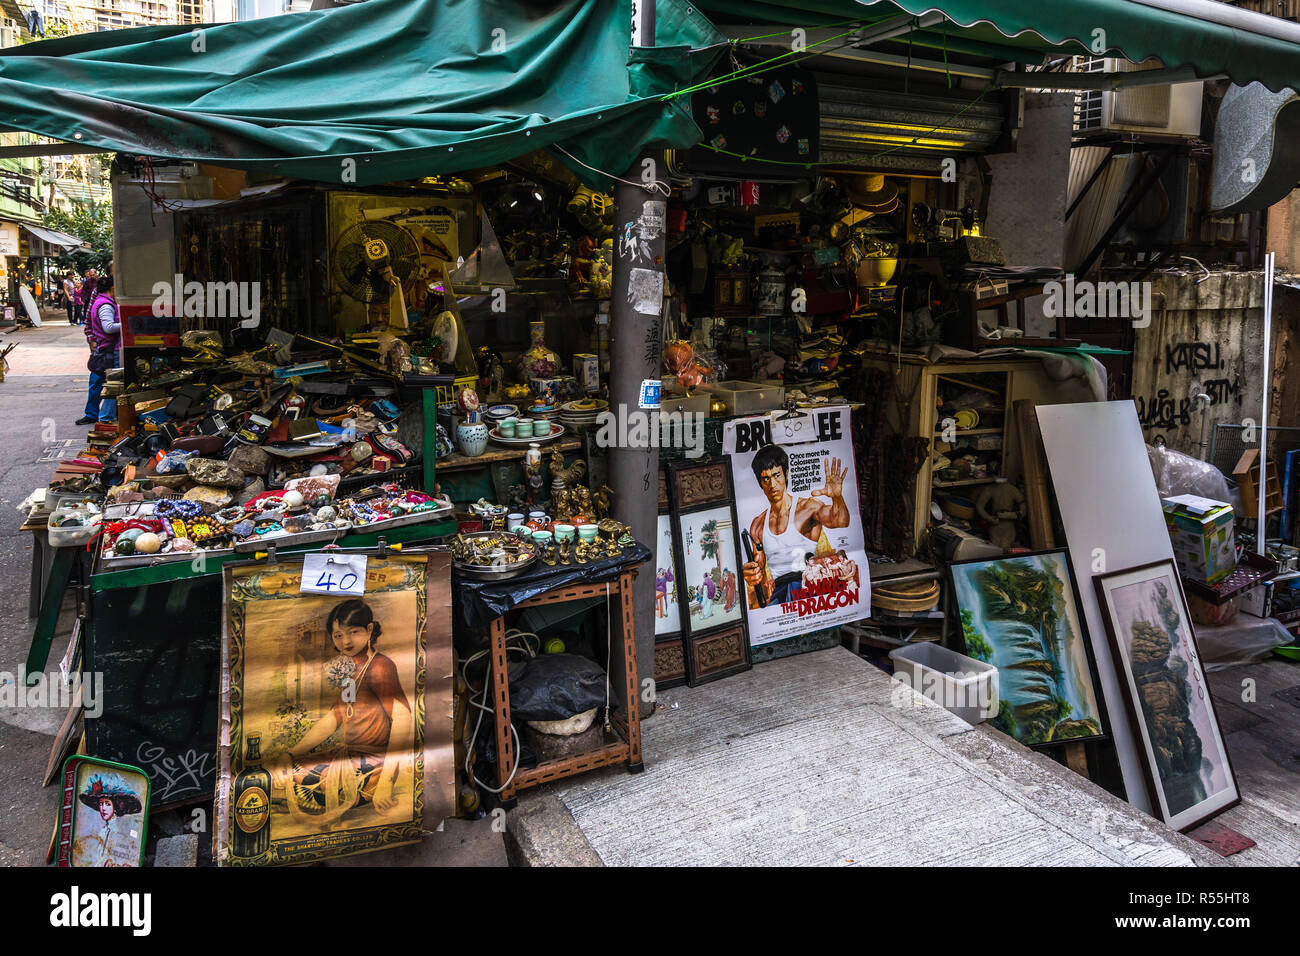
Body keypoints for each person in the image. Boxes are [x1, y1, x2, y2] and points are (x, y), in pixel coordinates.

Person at [280, 599, 414, 826]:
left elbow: (403, 717)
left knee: (299, 783)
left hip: (373, 765)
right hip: (347, 757)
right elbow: (334, 718)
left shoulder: (380, 666)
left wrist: (386, 783)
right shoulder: (348, 668)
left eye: (353, 632)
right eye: (338, 635)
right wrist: (292, 753)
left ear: (369, 630)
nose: (346, 641)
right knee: (283, 771)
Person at [742, 444, 851, 607]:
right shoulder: (757, 525)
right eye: (766, 479)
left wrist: (837, 498)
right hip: (779, 593)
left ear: (786, 474)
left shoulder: (807, 508)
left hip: (807, 587)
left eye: (777, 475)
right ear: (761, 484)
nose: (772, 485)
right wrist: (752, 575)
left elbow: (840, 520)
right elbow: (760, 575)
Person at [72, 775, 144, 867]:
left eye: (107, 804)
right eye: (101, 804)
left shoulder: (119, 829)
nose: (103, 808)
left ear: (115, 807)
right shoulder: (105, 829)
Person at [77, 274, 120, 426]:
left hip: (104, 349)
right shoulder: (105, 304)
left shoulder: (104, 301)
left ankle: (101, 416)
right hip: (108, 349)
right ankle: (105, 418)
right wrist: (129, 323)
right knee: (112, 385)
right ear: (113, 287)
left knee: (104, 383)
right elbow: (108, 327)